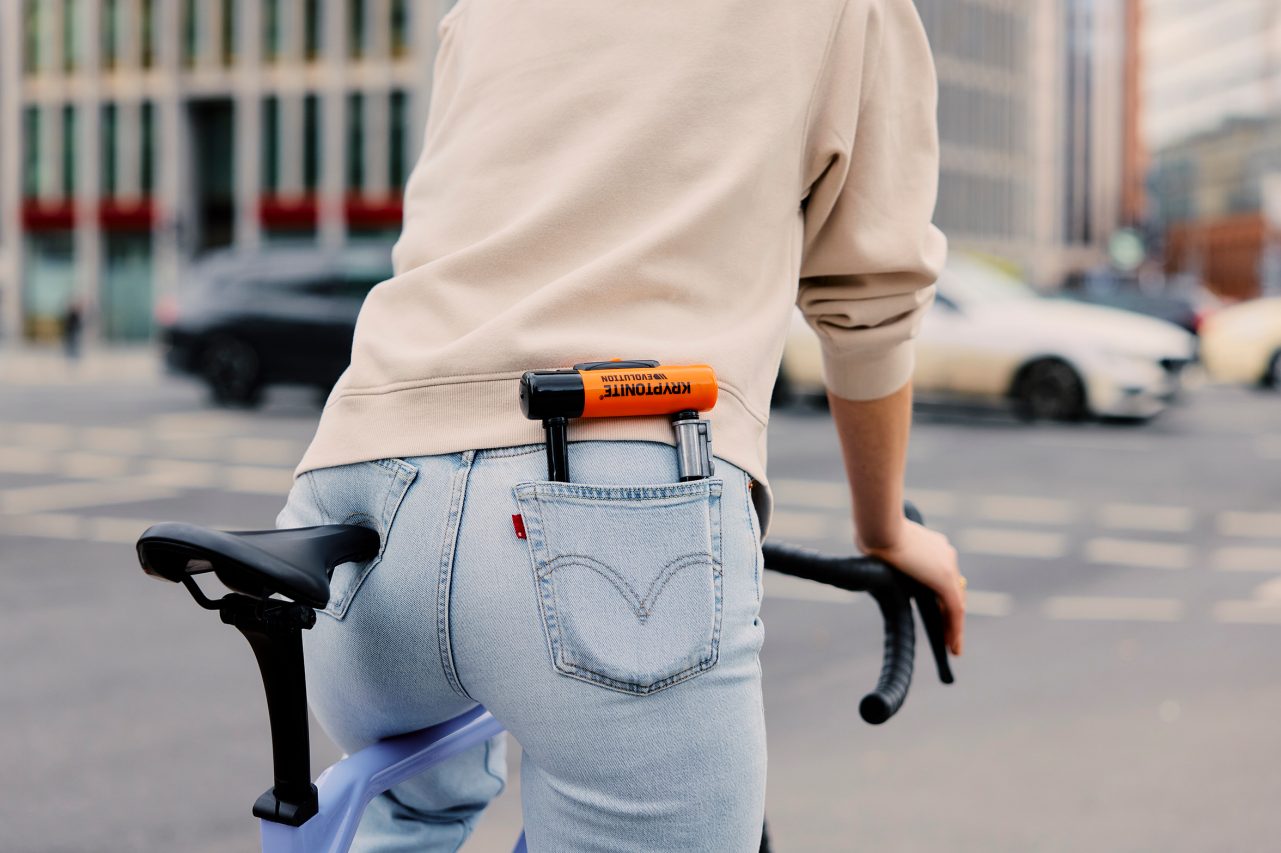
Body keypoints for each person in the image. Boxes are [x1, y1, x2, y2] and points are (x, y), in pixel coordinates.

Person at [275, 0, 964, 849]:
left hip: (359, 489)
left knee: (409, 811)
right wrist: (883, 526)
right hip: (613, 488)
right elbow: (872, 296)